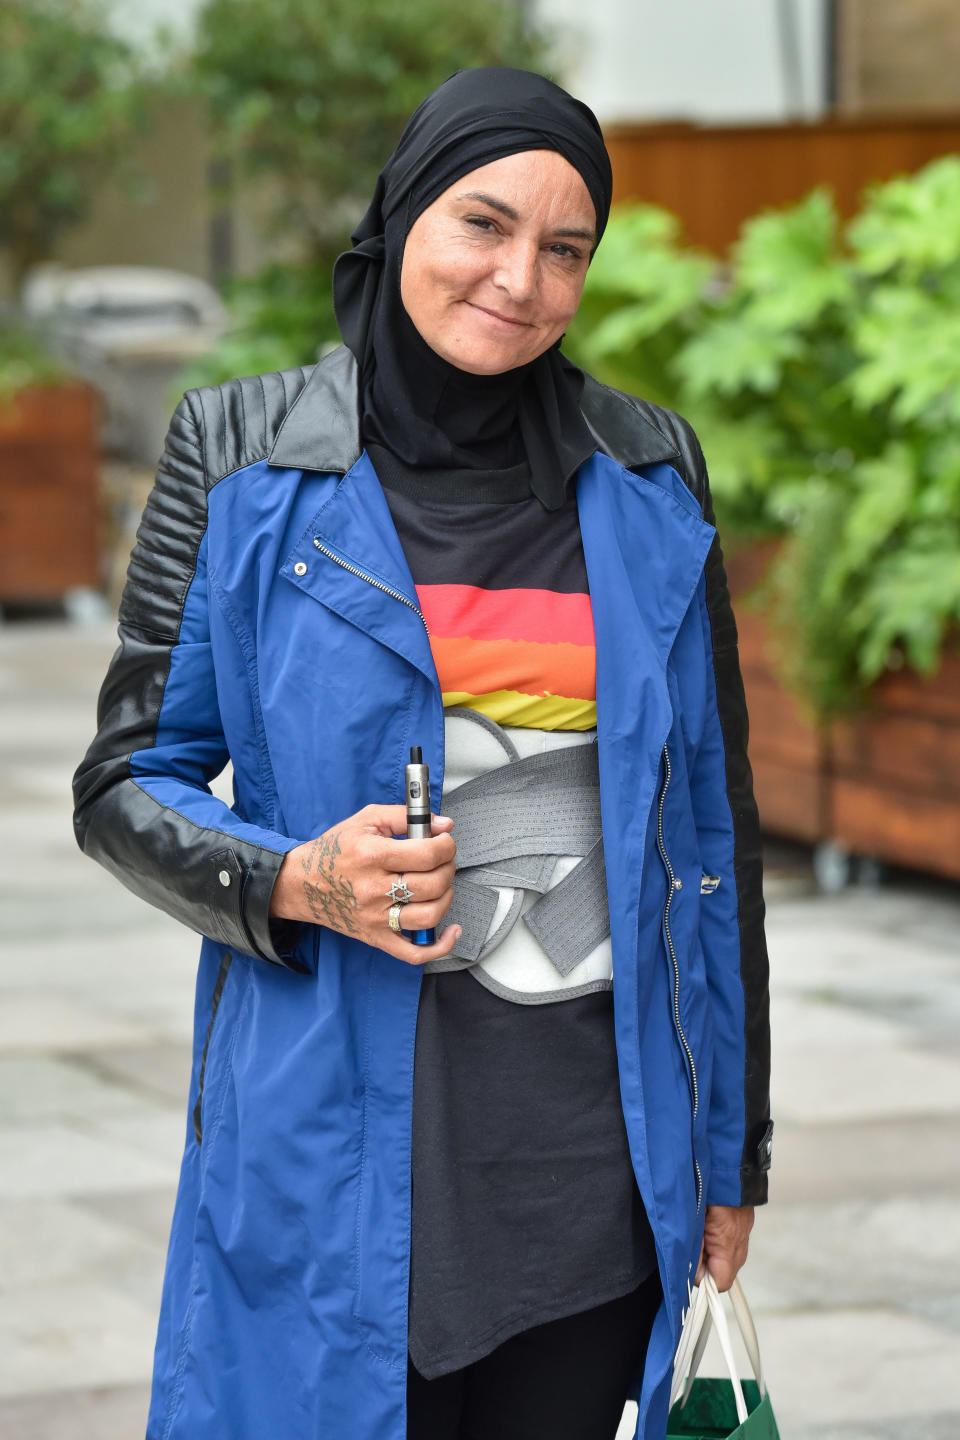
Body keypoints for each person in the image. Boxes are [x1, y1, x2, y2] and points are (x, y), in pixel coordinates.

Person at [73, 67, 771, 1440]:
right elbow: (124, 783)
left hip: (588, 1176)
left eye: (566, 249)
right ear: (399, 220)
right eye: (483, 224)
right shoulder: (240, 457)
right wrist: (296, 877)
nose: (521, 278)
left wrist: (729, 1148)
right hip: (329, 1154)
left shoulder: (648, 474)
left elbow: (711, 836)